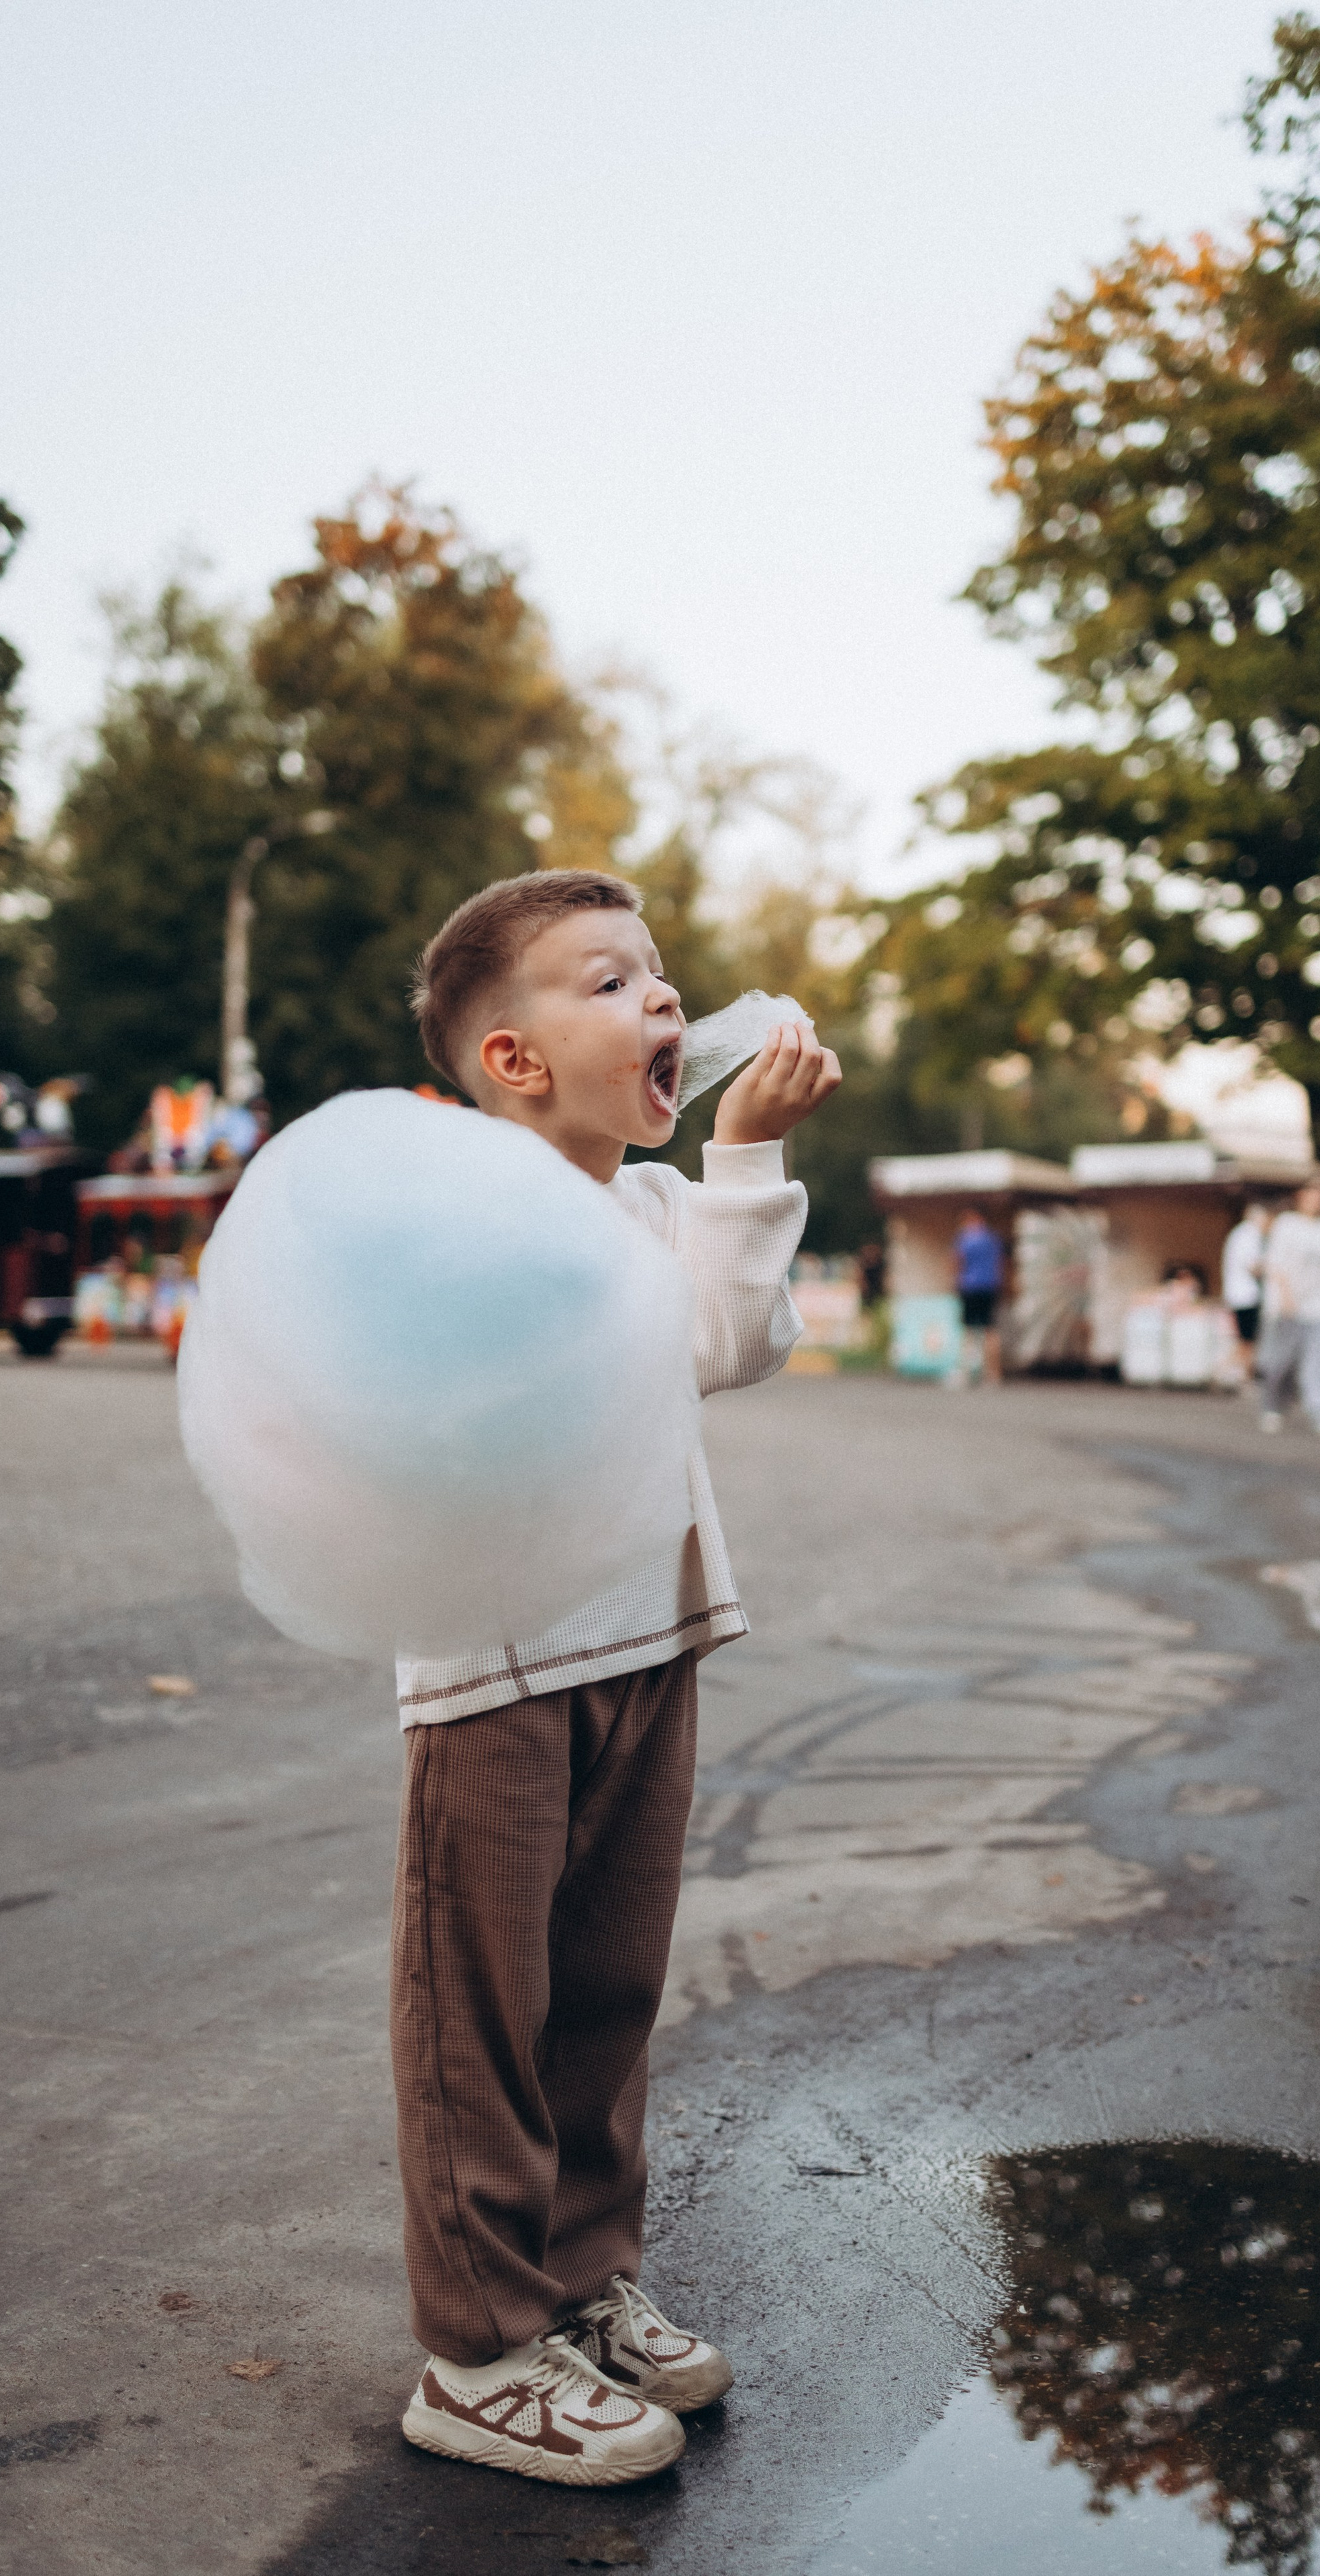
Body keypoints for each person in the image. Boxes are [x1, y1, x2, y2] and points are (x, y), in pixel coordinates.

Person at [392, 868, 841, 2485]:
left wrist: (743, 1157)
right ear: (514, 1060)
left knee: (604, 1987)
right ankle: (477, 2343)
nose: (665, 1001)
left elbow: (731, 1339)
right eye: (611, 982)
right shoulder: (461, 1209)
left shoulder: (652, 1207)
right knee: (483, 2011)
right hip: (501, 1663)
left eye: (663, 978)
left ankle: (581, 2280)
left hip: (650, 1638)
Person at [1260, 1182, 1320, 1437]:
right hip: (1289, 1307)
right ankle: (1274, 1406)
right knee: (1282, 1363)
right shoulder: (1287, 1225)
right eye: (1312, 1193)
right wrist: (1287, 1298)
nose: (1316, 1199)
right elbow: (1276, 1265)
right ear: (1300, 1196)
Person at [952, 1207, 1004, 1385]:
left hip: (970, 1287)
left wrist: (955, 1282)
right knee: (991, 1331)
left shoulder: (965, 1239)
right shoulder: (993, 1239)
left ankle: (965, 1374)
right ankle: (994, 1376)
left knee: (968, 1331)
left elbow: (957, 1261)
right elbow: (1000, 1263)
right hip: (990, 1287)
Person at [1222, 1203, 1269, 1372]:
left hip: (1238, 1295)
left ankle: (1224, 1370)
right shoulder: (1250, 1234)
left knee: (1246, 1340)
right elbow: (1253, 1266)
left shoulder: (1239, 1234)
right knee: (1249, 1341)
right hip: (1247, 1296)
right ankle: (1226, 1371)